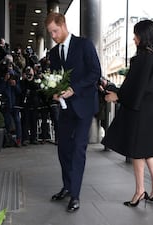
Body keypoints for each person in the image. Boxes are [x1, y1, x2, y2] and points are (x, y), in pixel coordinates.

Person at [101, 20, 153, 208]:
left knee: (137, 151)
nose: (134, 38)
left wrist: (117, 95)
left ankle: (139, 191)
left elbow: (135, 87)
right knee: (146, 150)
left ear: (143, 36)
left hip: (141, 112)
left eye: (136, 34)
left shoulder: (143, 58)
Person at [45, 12, 101, 212]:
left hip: (84, 106)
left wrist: (74, 88)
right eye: (50, 32)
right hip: (65, 108)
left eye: (55, 31)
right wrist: (53, 92)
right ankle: (67, 186)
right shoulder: (53, 54)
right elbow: (53, 78)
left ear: (63, 25)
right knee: (63, 149)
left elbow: (95, 73)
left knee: (78, 149)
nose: (53, 36)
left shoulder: (84, 44)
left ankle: (75, 195)